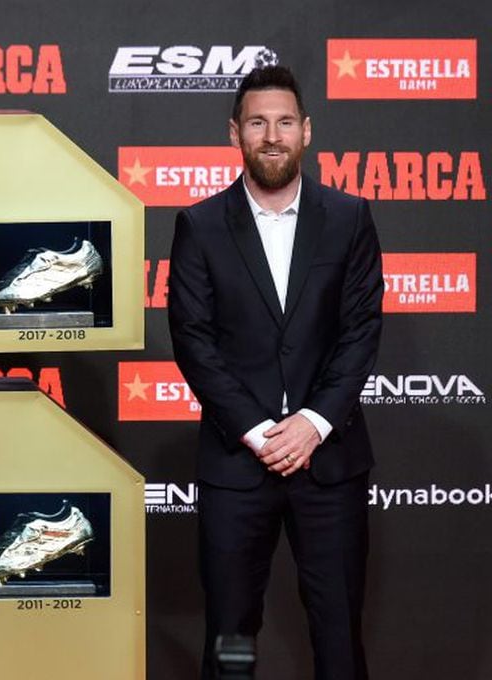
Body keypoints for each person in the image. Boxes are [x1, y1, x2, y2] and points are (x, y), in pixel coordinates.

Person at [167, 66, 383, 679]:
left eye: (284, 122)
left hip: (330, 462)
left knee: (339, 636)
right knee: (230, 639)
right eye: (258, 122)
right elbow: (193, 339)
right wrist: (261, 432)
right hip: (238, 466)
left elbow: (361, 330)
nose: (272, 135)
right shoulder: (200, 226)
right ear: (235, 132)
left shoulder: (349, 218)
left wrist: (312, 424)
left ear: (306, 131)